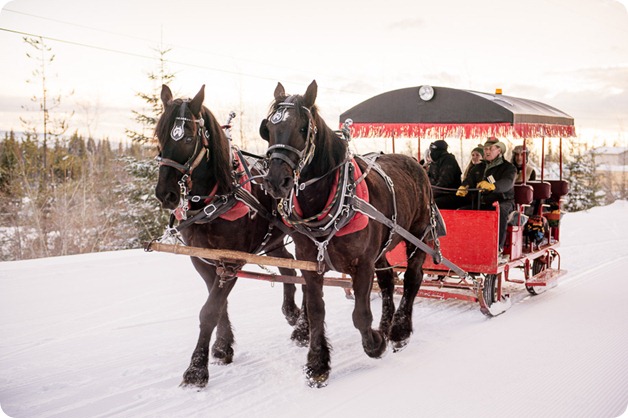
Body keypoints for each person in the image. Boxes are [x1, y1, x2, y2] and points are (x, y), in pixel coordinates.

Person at [456, 137, 516, 255]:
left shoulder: (508, 168)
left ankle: (497, 248)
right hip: (481, 200)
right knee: (461, 212)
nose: (487, 151)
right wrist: (464, 187)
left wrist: (493, 186)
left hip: (503, 200)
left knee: (500, 212)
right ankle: (462, 245)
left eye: (490, 148)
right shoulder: (479, 167)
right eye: (485, 148)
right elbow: (470, 180)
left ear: (499, 150)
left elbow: (508, 183)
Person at [427, 140, 462, 209]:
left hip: (450, 194)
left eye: (434, 151)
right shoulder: (435, 162)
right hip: (437, 193)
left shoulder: (449, 161)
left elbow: (444, 182)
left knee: (429, 205)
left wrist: (430, 194)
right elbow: (428, 178)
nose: (432, 153)